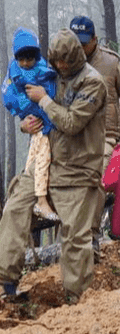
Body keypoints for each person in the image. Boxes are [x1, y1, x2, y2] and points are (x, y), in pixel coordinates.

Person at [0, 28, 107, 301]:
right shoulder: (48, 72)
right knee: (14, 207)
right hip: (45, 164)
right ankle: (5, 282)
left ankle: (77, 299)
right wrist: (26, 125)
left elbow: (71, 123)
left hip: (78, 170)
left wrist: (44, 100)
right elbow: (30, 108)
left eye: (65, 62)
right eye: (56, 62)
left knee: (74, 235)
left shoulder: (92, 83)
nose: (60, 67)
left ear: (77, 57)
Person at [70, 16, 120, 258]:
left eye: (83, 43)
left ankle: (92, 238)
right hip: (74, 135)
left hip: (105, 134)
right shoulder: (64, 62)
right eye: (75, 42)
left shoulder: (110, 62)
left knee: (96, 177)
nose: (79, 48)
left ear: (94, 40)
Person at [1, 27, 59, 221]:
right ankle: (39, 200)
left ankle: (38, 199)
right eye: (21, 59)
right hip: (36, 125)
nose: (25, 63)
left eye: (29, 59)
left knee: (39, 158)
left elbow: (52, 92)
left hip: (47, 122)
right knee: (37, 159)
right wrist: (21, 113)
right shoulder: (13, 72)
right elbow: (8, 94)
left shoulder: (45, 70)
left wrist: (42, 100)